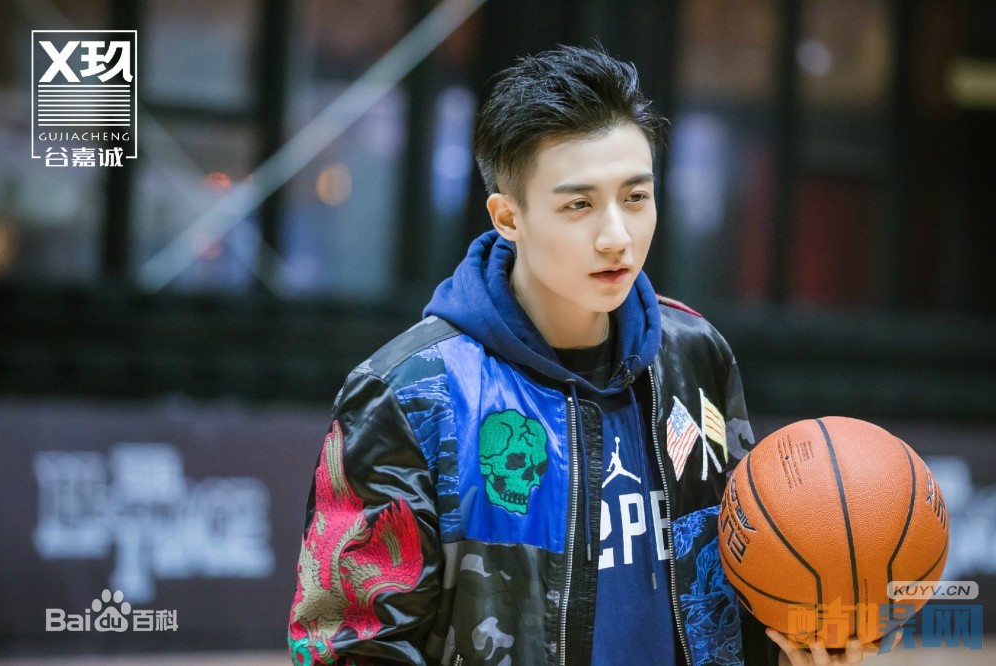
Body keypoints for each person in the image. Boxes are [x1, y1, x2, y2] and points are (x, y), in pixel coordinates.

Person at [288, 44, 874, 666]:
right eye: (579, 204)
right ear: (507, 216)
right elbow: (348, 649)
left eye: (636, 197)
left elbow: (739, 578)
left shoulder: (696, 353)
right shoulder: (409, 394)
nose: (616, 236)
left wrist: (795, 648)